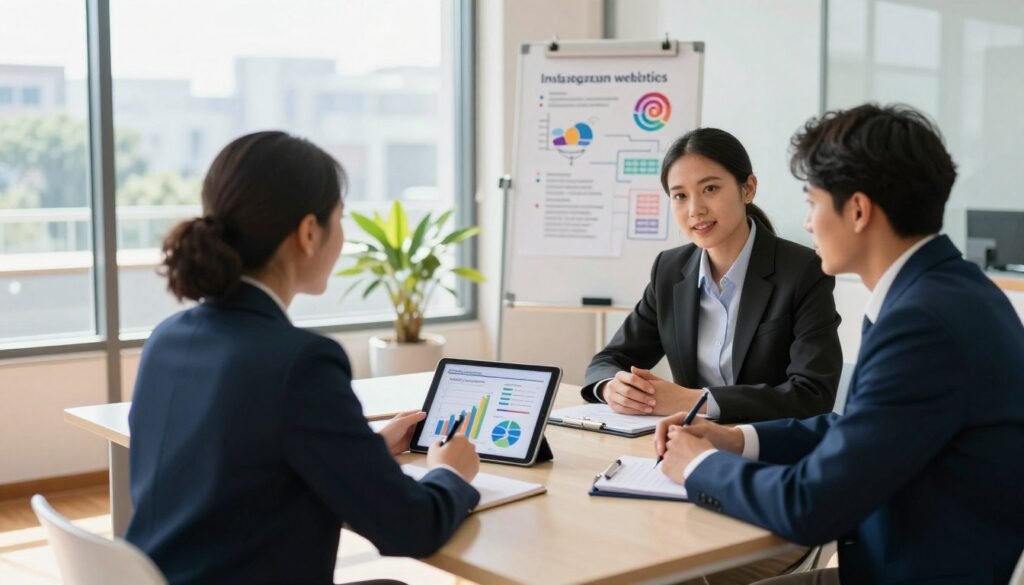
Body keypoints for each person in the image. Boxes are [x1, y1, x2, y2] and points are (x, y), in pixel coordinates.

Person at [656, 104, 1024, 584]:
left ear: (857, 210)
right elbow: (861, 428)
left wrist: (700, 466)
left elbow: (811, 504)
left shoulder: (923, 321)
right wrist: (736, 439)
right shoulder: (945, 290)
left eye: (811, 203)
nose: (807, 224)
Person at [126, 131, 481, 585]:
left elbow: (248, 459)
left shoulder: (167, 338)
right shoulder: (300, 362)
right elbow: (410, 529)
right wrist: (452, 474)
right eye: (341, 219)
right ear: (309, 232)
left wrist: (366, 449)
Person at [582, 128, 843, 423]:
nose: (695, 209)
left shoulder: (802, 269)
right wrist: (611, 388)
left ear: (748, 189)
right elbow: (607, 362)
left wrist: (694, 401)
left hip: (769, 448)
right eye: (680, 195)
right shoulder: (669, 270)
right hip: (688, 445)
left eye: (710, 189)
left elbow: (813, 394)